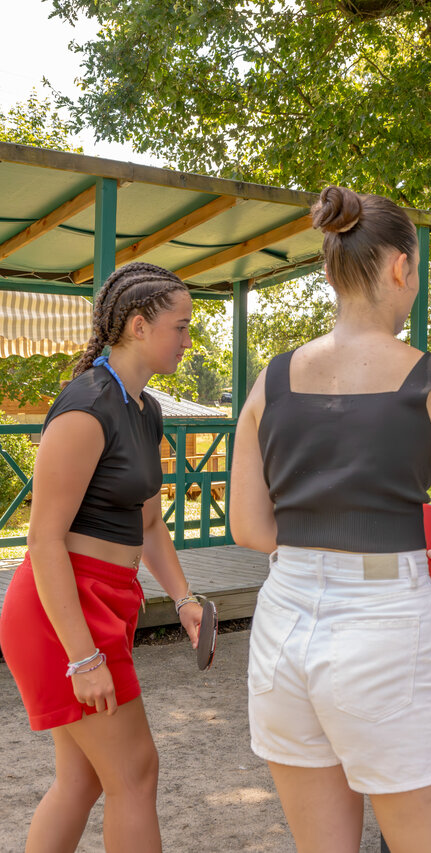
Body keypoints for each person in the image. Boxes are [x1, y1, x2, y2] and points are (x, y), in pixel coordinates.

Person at [229, 185, 431, 853]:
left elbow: (250, 528)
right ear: (402, 268)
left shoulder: (271, 381)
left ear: (328, 270)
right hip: (383, 631)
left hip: (282, 631)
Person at [0, 262, 203, 852]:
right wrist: (82, 657)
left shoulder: (145, 409)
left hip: (107, 600)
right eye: (181, 326)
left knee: (83, 780)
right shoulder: (87, 405)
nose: (189, 341)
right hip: (61, 611)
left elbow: (150, 523)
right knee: (136, 772)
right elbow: (42, 541)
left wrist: (184, 599)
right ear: (139, 326)